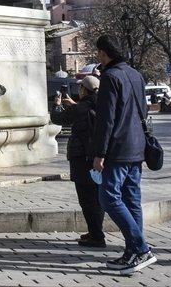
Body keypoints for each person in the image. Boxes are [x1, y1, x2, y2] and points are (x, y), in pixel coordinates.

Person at [91, 35, 155, 276]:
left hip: (117, 146)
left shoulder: (110, 77)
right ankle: (133, 251)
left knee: (108, 197)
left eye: (98, 52)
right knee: (131, 198)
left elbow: (106, 119)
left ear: (104, 53)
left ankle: (140, 247)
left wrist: (100, 152)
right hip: (136, 145)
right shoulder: (135, 74)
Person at [51, 75, 105, 247]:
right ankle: (96, 231)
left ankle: (97, 236)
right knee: (97, 197)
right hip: (98, 157)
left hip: (82, 158)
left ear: (84, 90)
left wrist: (57, 105)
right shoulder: (102, 105)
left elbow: (58, 118)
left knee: (86, 198)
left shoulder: (80, 108)